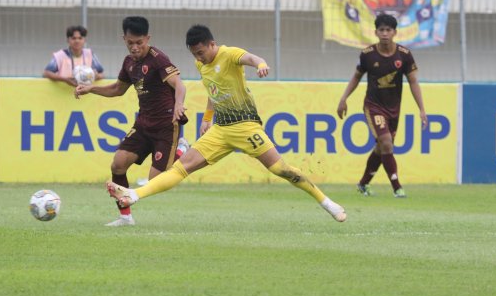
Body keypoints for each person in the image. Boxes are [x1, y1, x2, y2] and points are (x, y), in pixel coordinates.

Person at [106, 24, 347, 223]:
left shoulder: (229, 54)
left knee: (280, 169)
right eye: (194, 54)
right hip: (220, 130)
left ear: (212, 44)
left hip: (246, 126)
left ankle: (327, 202)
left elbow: (251, 57)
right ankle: (133, 195)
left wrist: (261, 64)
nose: (198, 58)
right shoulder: (202, 65)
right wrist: (207, 119)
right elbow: (215, 90)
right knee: (180, 169)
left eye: (201, 52)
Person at [77, 16, 189, 227]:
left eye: (139, 42)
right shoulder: (129, 63)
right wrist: (91, 89)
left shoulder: (158, 59)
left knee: (155, 180)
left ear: (148, 38)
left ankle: (181, 150)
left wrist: (178, 105)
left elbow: (179, 85)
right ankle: (125, 217)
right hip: (144, 123)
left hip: (166, 124)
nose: (135, 47)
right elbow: (117, 89)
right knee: (118, 164)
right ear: (124, 39)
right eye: (130, 43)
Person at [336, 13, 427, 198]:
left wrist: (422, 109)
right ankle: (397, 187)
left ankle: (363, 184)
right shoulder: (367, 55)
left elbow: (413, 82)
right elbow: (356, 77)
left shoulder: (404, 55)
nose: (385, 33)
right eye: (381, 30)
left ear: (395, 32)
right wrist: (343, 99)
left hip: (394, 109)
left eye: (388, 30)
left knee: (381, 147)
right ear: (376, 32)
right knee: (386, 142)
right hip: (373, 107)